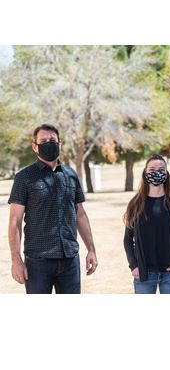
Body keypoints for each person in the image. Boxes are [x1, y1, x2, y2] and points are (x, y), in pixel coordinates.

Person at [8, 123, 98, 294]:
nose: (48, 143)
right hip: (38, 262)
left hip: (70, 259)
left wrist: (91, 250)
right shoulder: (24, 177)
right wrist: (16, 260)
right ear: (35, 146)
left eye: (52, 140)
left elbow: (80, 214)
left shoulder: (71, 175)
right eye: (43, 140)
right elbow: (15, 221)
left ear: (60, 143)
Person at [123, 154, 170, 294]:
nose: (156, 172)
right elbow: (128, 239)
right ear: (145, 173)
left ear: (166, 173)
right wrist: (134, 266)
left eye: (161, 169)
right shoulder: (135, 204)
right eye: (152, 169)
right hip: (144, 273)